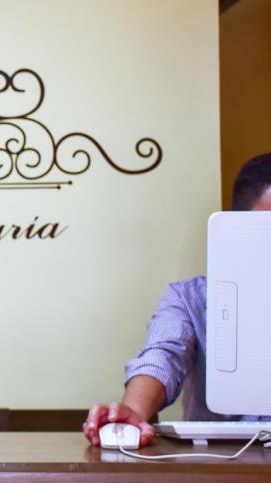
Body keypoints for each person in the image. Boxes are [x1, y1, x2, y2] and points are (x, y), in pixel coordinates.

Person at [84, 153, 271, 447]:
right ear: (236, 230)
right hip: (221, 479)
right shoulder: (190, 299)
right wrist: (135, 410)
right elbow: (163, 355)